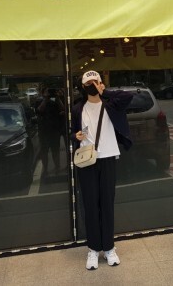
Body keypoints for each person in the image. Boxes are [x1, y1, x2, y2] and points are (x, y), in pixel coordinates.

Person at [71, 70, 133, 270]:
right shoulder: (78, 108)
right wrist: (75, 136)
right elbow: (72, 132)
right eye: (88, 84)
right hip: (87, 160)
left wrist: (105, 92)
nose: (92, 86)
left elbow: (128, 96)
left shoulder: (111, 104)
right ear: (83, 87)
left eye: (95, 82)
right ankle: (93, 249)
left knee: (107, 204)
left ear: (100, 83)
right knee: (90, 205)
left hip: (108, 157)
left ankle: (109, 248)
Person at [37, 86, 65, 179]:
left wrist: (58, 98)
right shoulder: (39, 101)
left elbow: (63, 109)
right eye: (47, 92)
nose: (49, 93)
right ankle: (45, 169)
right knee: (44, 151)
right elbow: (39, 110)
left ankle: (57, 167)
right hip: (43, 131)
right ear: (42, 94)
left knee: (55, 151)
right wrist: (45, 99)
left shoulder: (55, 102)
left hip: (54, 130)